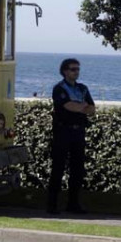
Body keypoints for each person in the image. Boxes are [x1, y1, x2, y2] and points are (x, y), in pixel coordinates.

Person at [47, 58, 95, 215]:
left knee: (77, 170)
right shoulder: (59, 89)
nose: (76, 72)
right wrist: (81, 107)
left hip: (78, 132)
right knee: (58, 169)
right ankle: (52, 205)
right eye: (73, 69)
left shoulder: (83, 88)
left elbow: (92, 108)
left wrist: (79, 107)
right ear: (65, 71)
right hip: (63, 132)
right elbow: (68, 106)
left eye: (78, 69)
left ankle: (73, 204)